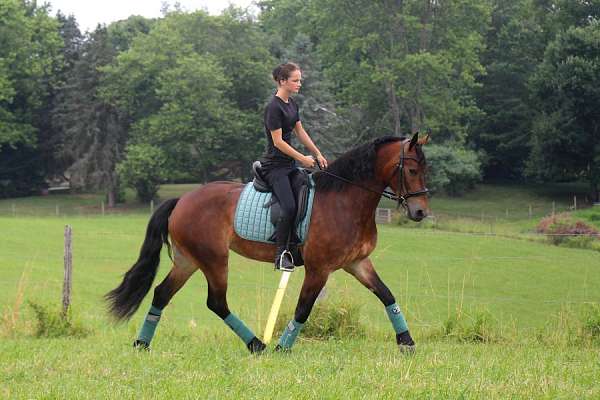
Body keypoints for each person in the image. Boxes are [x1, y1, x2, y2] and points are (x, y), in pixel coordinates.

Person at [261, 62, 328, 272]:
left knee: (309, 195)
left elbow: (300, 132)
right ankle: (281, 254)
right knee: (289, 206)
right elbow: (279, 142)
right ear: (282, 81)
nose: (300, 83)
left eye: (300, 79)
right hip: (274, 167)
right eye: (295, 80)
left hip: (289, 165)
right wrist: (302, 158)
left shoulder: (292, 104)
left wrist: (317, 153)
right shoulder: (273, 106)